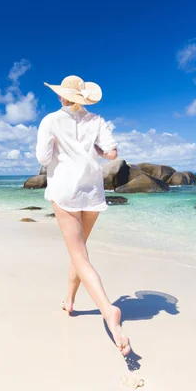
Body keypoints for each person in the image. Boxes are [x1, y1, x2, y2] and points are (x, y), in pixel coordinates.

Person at [36, 75, 131, 356]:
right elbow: (112, 154)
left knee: (79, 255)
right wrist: (99, 151)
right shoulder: (97, 120)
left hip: (65, 191)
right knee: (79, 253)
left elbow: (42, 159)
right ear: (84, 98)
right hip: (91, 193)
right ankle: (70, 300)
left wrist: (57, 149)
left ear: (62, 96)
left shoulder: (50, 121)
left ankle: (108, 310)